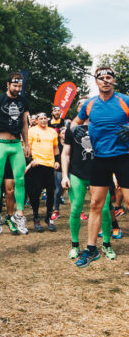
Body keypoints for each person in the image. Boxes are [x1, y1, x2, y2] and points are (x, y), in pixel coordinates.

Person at [70, 67, 129, 268]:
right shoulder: (90, 104)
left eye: (108, 77)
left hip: (124, 157)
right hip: (100, 159)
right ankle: (91, 249)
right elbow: (73, 124)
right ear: (96, 82)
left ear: (113, 81)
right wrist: (75, 129)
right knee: (96, 204)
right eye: (101, 78)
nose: (105, 81)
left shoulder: (124, 100)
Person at [61, 99, 115, 260]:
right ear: (79, 109)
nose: (84, 106)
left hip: (99, 174)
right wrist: (64, 175)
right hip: (77, 174)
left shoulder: (102, 126)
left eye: (87, 104)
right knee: (76, 209)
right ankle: (75, 245)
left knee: (105, 210)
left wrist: (114, 175)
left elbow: (112, 152)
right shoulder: (72, 128)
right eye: (80, 104)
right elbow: (66, 153)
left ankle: (106, 244)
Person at [0, 72, 30, 235]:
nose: (17, 88)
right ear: (8, 84)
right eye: (15, 85)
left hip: (16, 144)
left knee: (20, 180)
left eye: (20, 86)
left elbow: (24, 124)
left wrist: (27, 143)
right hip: (0, 144)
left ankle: (19, 215)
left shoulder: (24, 101)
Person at [27, 112, 60, 232]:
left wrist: (57, 160)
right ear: (36, 120)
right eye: (40, 118)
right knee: (35, 193)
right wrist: (31, 160)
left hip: (49, 165)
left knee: (51, 192)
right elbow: (28, 147)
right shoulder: (31, 131)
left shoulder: (52, 131)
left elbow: (56, 147)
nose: (43, 120)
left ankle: (48, 217)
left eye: (45, 118)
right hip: (37, 165)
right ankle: (36, 217)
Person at [51, 126, 66, 220]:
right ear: (59, 134)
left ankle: (80, 211)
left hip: (71, 170)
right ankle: (56, 211)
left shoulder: (71, 143)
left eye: (66, 132)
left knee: (74, 191)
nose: (65, 134)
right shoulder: (56, 144)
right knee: (58, 191)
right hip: (59, 170)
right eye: (63, 133)